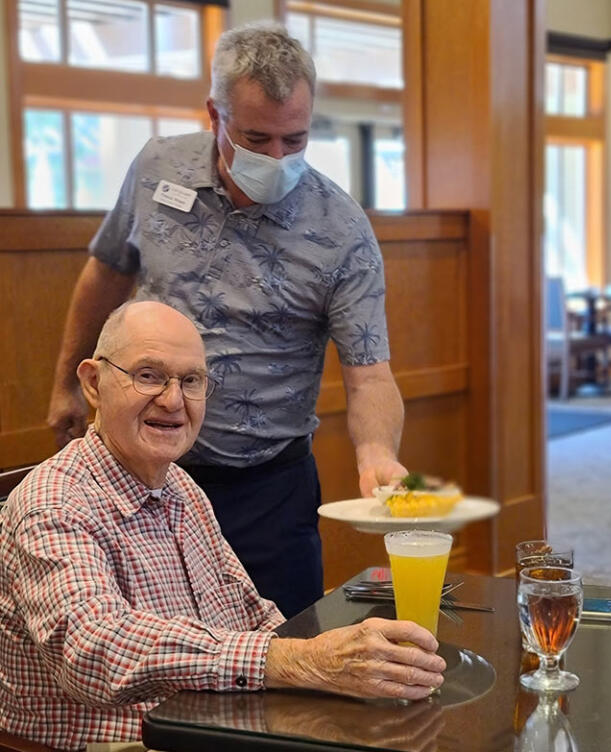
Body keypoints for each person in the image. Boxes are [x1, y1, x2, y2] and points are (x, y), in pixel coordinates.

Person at [46, 22, 408, 618]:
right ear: (214, 113)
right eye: (257, 137)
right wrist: (64, 383)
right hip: (142, 473)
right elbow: (108, 269)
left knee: (284, 665)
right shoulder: (158, 166)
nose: (276, 158)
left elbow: (369, 374)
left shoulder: (341, 231)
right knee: (148, 658)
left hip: (264, 486)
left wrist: (376, 455)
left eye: (296, 140)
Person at [0, 301, 445, 752]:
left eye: (191, 381)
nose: (173, 401)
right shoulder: (53, 502)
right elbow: (95, 652)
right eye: (149, 375)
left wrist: (344, 656)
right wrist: (302, 660)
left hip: (209, 728)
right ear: (93, 383)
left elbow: (249, 613)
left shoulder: (182, 488)